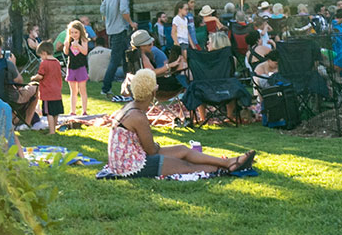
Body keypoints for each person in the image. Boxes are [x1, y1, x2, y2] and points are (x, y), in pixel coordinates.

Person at [106, 69, 253, 178]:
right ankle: (227, 168)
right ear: (152, 93)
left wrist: (157, 148)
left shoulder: (131, 107)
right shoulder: (137, 116)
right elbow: (151, 151)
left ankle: (229, 162)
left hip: (130, 158)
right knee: (186, 166)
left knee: (182, 149)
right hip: (131, 165)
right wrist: (157, 148)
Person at [99, 0, 135, 102]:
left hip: (111, 30)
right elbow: (124, 10)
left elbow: (102, 9)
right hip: (121, 29)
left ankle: (128, 86)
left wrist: (108, 22)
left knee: (127, 59)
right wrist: (131, 23)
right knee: (117, 60)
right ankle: (105, 88)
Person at [34, 40, 64, 134]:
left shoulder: (44, 63)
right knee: (55, 111)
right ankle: (54, 127)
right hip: (57, 91)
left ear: (44, 53)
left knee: (49, 113)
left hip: (48, 92)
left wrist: (33, 78)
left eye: (41, 56)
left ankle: (52, 131)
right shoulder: (57, 62)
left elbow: (40, 76)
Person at [63, 20, 90, 116]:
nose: (74, 34)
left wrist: (77, 45)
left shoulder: (83, 40)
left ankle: (84, 110)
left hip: (81, 67)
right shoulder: (69, 41)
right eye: (72, 32)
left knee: (82, 90)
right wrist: (66, 46)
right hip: (71, 67)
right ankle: (73, 111)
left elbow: (85, 52)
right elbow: (66, 53)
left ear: (80, 32)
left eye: (76, 32)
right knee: (73, 91)